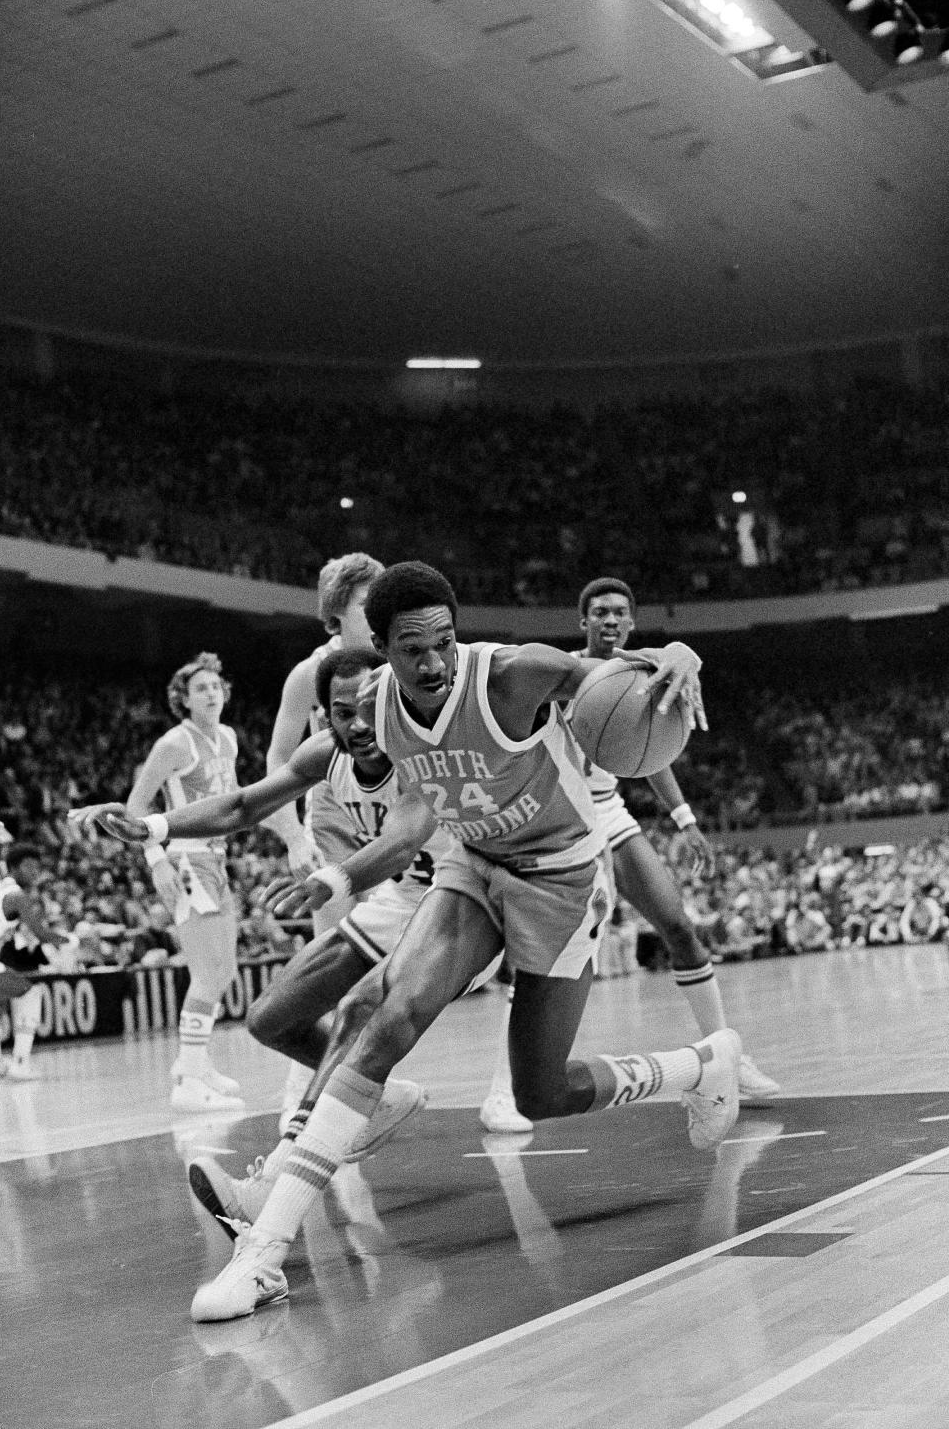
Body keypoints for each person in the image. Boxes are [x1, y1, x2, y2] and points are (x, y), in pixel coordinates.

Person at [72, 561, 742, 1323]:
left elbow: (602, 672)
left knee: (541, 1092)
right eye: (413, 649)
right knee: (386, 1019)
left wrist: (671, 658)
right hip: (474, 865)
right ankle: (262, 1256)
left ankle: (698, 1064)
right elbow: (259, 804)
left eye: (443, 643)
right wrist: (154, 824)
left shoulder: (509, 675)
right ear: (384, 649)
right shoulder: (380, 706)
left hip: (562, 876)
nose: (432, 663)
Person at [187, 645, 500, 1234]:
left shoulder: (421, 750)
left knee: (359, 1007)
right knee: (270, 1019)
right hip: (400, 902)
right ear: (325, 715)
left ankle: (269, 1186)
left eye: (367, 709)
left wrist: (333, 880)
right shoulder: (325, 756)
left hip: (468, 907)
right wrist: (151, 826)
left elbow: (404, 843)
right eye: (341, 712)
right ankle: (375, 1098)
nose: (358, 725)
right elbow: (243, 803)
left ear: (389, 702)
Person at [480, 577, 779, 1132]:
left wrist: (684, 818)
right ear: (583, 622)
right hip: (558, 822)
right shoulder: (555, 672)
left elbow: (650, 749)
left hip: (609, 813)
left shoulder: (639, 673)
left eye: (620, 612)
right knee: (532, 959)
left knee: (679, 927)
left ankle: (729, 1059)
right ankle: (501, 1091)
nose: (610, 621)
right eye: (599, 612)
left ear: (632, 621)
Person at [258, 552, 384, 1120]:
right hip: (335, 820)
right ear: (338, 612)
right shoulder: (310, 673)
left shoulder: (396, 661)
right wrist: (291, 836)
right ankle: (305, 1105)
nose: (381, 607)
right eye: (367, 600)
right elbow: (277, 760)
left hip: (400, 819)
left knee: (389, 976)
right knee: (331, 970)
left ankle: (357, 1093)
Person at [126, 652, 245, 1112]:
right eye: (201, 688)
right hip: (186, 861)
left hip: (218, 860)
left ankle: (195, 1061)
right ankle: (188, 1085)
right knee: (207, 972)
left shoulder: (229, 739)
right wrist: (157, 861)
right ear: (184, 699)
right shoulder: (175, 744)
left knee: (226, 969)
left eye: (216, 686)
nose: (211, 693)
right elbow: (135, 807)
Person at [0, 841, 68, 1080]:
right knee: (28, 993)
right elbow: (41, 933)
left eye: (38, 867)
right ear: (13, 867)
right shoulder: (16, 896)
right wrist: (71, 940)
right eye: (29, 866)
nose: (35, 872)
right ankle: (20, 1063)